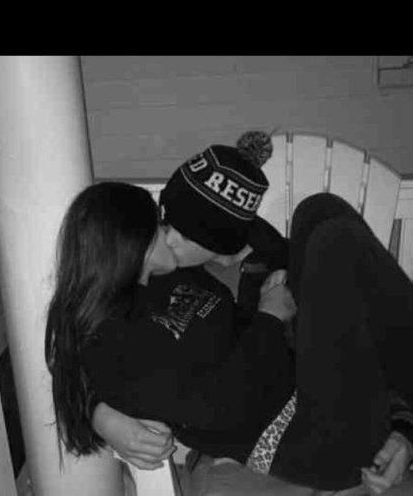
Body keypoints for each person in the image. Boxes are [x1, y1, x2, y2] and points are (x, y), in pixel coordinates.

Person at [90, 134, 413, 494]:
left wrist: (404, 430)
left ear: (219, 239)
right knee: (332, 241)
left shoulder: (275, 259)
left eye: (183, 233)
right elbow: (91, 352)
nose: (169, 238)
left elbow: (370, 335)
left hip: (327, 400)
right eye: (165, 223)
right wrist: (98, 414)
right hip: (301, 434)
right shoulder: (158, 285)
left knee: (319, 212)